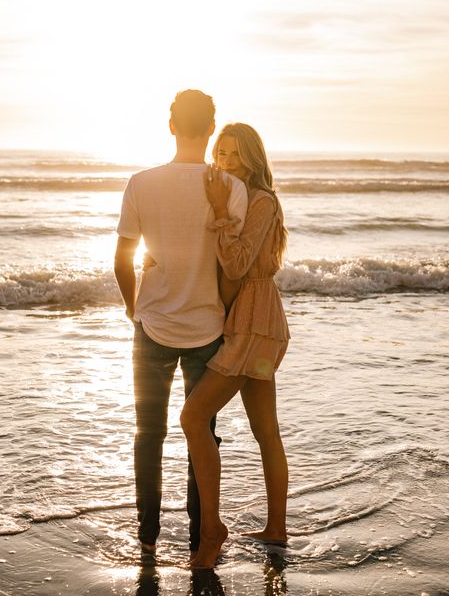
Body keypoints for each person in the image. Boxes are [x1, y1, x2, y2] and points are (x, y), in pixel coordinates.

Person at [114, 91, 248, 557]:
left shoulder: (141, 182)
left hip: (152, 325)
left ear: (171, 126)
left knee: (148, 433)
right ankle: (198, 539)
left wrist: (136, 310)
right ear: (211, 130)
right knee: (203, 435)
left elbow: (121, 263)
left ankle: (147, 539)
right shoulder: (230, 188)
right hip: (208, 330)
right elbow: (234, 266)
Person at [180, 123, 290, 568]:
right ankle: (277, 528)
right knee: (267, 432)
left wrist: (222, 211)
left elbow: (240, 262)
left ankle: (215, 530)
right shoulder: (243, 197)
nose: (223, 162)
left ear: (251, 156)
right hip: (251, 322)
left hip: (254, 324)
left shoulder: (259, 201)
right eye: (219, 154)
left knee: (193, 415)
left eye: (232, 154)